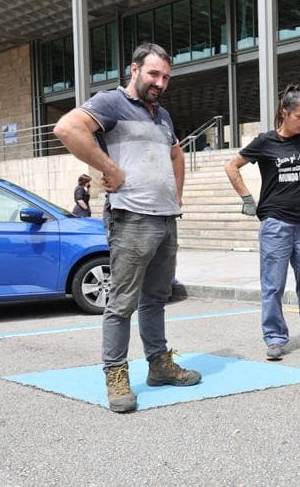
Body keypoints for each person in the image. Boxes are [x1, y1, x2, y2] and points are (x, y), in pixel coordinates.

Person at [53, 43, 200, 413]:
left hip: (166, 219)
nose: (160, 82)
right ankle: (116, 374)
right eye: (153, 74)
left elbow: (176, 153)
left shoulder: (162, 115)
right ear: (133, 69)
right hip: (131, 217)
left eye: (166, 76)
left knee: (156, 298)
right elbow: (68, 128)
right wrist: (111, 168)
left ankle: (159, 365)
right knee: (122, 303)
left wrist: (176, 196)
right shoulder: (110, 103)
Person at [224, 84, 300, 361]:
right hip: (275, 224)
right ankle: (275, 338)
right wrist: (247, 198)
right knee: (273, 286)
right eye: (299, 117)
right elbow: (231, 166)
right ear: (285, 112)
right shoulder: (265, 142)